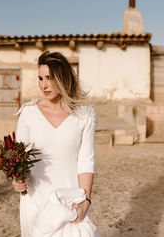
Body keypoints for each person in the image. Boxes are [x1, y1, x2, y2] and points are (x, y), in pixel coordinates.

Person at [12, 51, 100, 236]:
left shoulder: (84, 116)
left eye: (50, 78)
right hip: (36, 200)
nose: (44, 84)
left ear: (63, 78)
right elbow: (18, 158)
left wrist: (86, 201)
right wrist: (17, 180)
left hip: (69, 201)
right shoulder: (28, 114)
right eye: (40, 78)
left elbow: (86, 162)